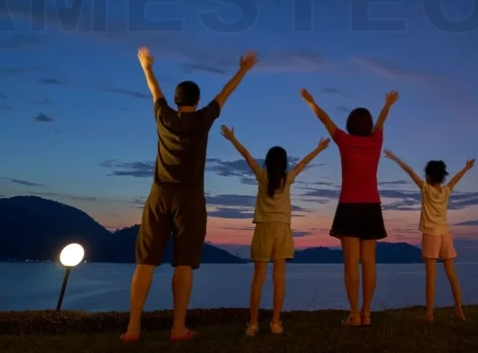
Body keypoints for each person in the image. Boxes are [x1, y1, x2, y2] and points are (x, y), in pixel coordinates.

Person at [120, 46, 258, 343]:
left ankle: (133, 329)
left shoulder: (164, 117)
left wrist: (146, 66)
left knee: (145, 261)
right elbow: (225, 93)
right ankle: (177, 328)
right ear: (196, 102)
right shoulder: (202, 119)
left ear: (177, 101)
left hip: (159, 195)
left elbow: (154, 91)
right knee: (184, 263)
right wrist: (244, 69)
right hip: (190, 199)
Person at [219, 124, 330, 336]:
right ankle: (276, 323)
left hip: (263, 229)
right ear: (284, 163)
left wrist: (232, 138)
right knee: (279, 279)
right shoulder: (287, 179)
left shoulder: (262, 176)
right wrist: (319, 148)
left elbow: (247, 156)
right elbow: (305, 163)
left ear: (268, 162)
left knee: (258, 279)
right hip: (282, 230)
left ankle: (252, 325)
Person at [300, 88, 398, 327]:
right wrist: (387, 104)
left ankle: (354, 314)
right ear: (368, 125)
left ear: (351, 124)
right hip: (372, 206)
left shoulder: (344, 141)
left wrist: (311, 102)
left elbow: (326, 120)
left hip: (349, 206)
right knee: (369, 262)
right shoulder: (376, 141)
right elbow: (382, 120)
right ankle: (367, 313)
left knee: (351, 263)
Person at [384, 151, 475, 322]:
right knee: (452, 275)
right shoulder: (446, 191)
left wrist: (396, 159)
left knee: (431, 278)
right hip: (445, 234)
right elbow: (456, 178)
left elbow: (410, 171)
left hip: (431, 235)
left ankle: (430, 314)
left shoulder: (426, 189)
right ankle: (459, 311)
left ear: (429, 176)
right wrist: (466, 167)